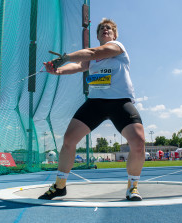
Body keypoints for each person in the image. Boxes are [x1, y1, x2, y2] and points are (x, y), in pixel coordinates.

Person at [38, 18, 145, 201]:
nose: (105, 30)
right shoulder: (91, 59)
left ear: (114, 35)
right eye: (102, 28)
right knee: (69, 139)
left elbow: (94, 52)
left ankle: (132, 187)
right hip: (96, 102)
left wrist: (65, 57)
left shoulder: (117, 47)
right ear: (97, 35)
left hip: (119, 102)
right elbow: (80, 65)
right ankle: (60, 186)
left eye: (109, 28)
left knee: (138, 142)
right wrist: (58, 70)